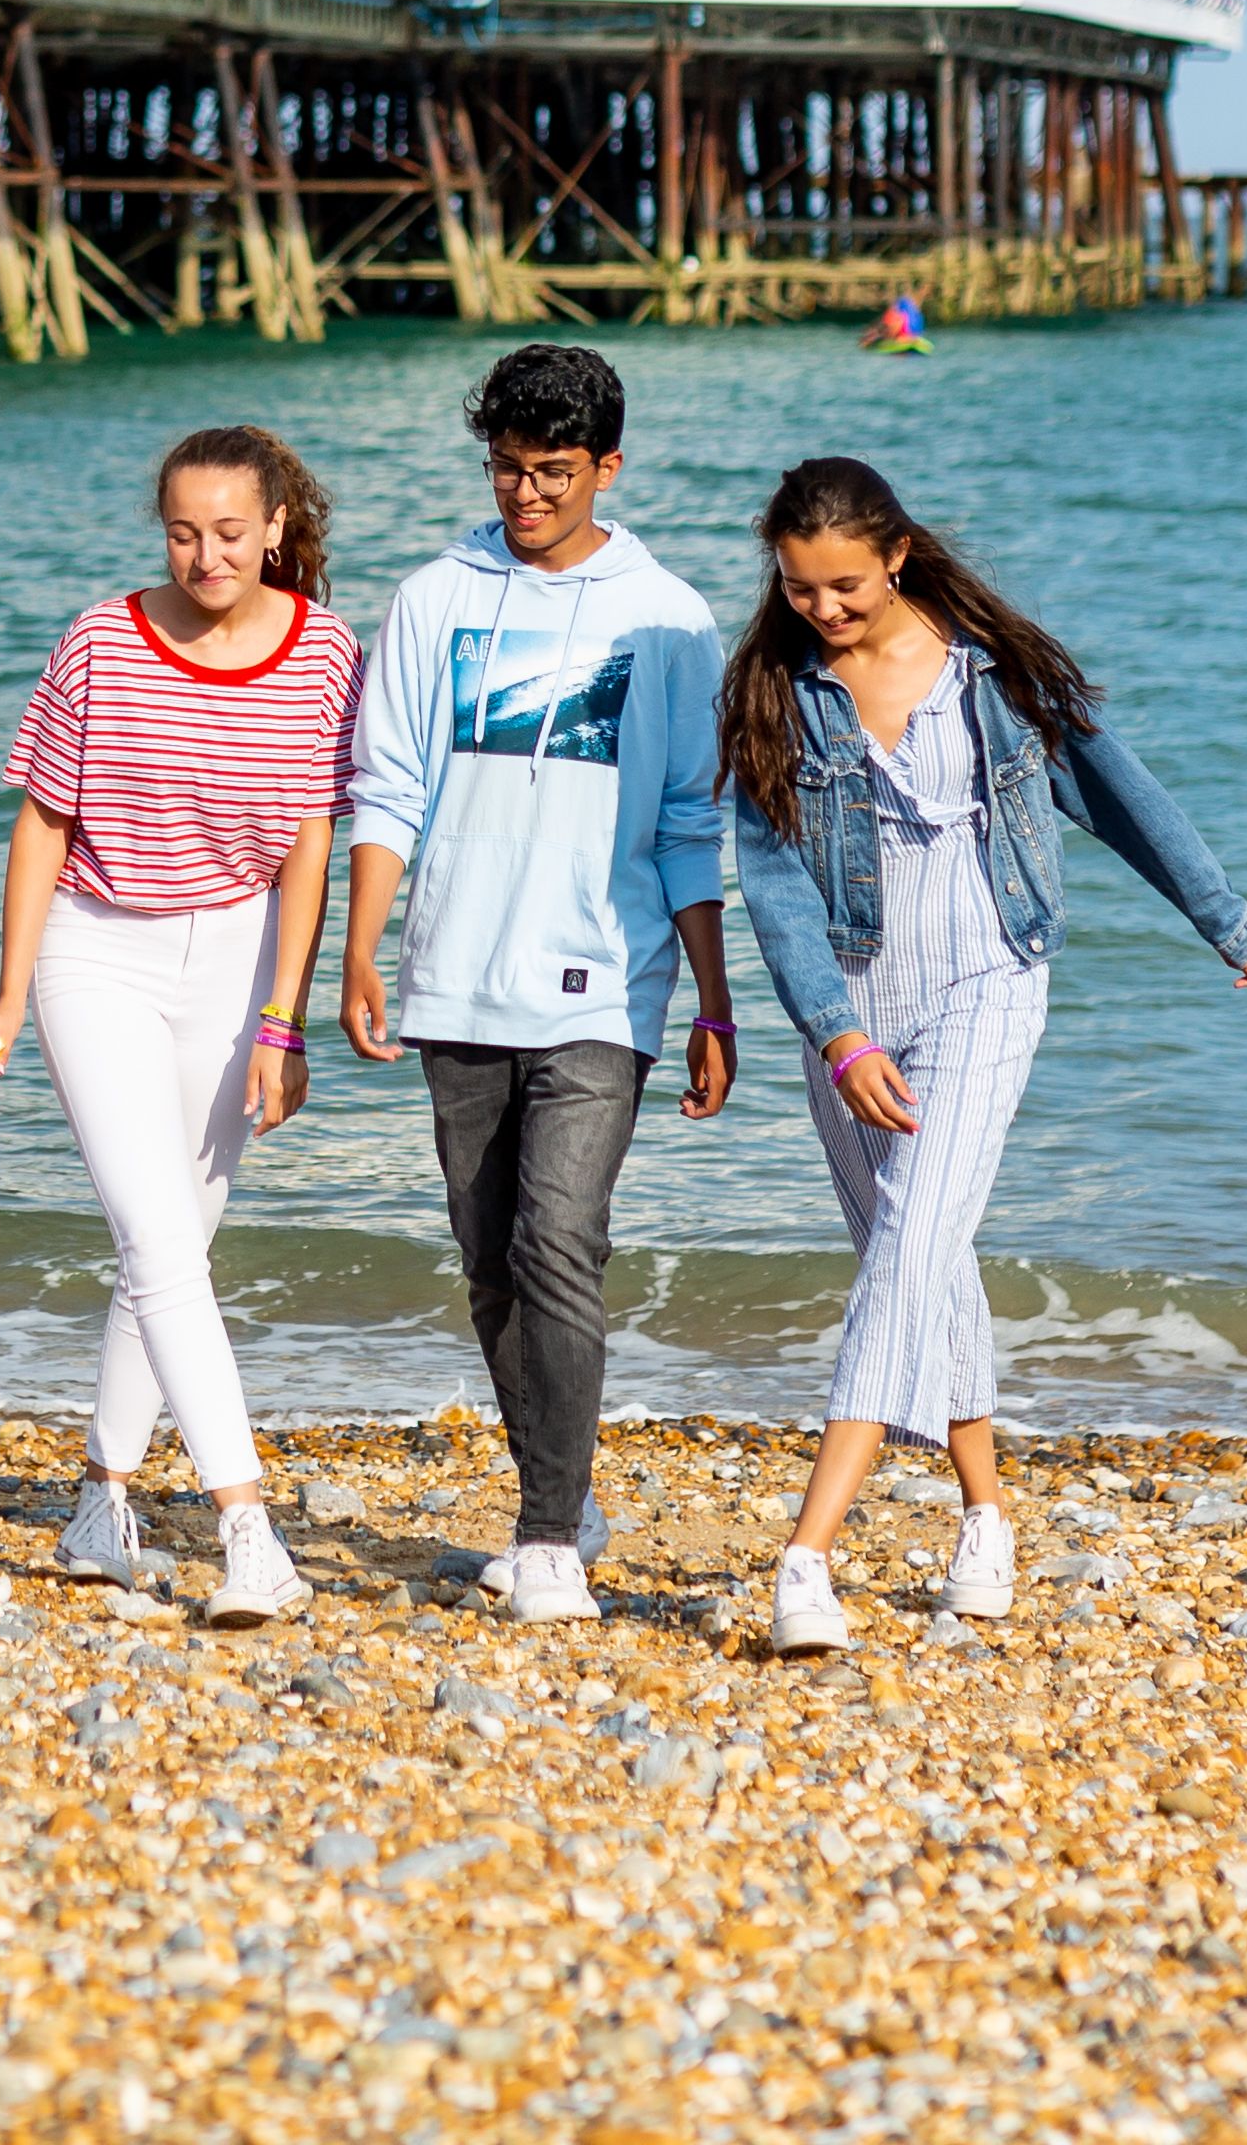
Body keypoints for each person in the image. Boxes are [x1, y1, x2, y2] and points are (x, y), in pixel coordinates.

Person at [720, 452, 1247, 1651]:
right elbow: (772, 885)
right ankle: (986, 1519)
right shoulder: (772, 687)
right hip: (854, 1006)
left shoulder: (992, 676)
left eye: (847, 587)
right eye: (803, 589)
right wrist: (838, 1030)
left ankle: (806, 1555)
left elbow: (1116, 793)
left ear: (896, 553)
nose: (826, 611)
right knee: (922, 1255)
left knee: (911, 1246)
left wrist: (1216, 912)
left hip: (989, 979)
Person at [335, 342, 740, 1625]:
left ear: (607, 467)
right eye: (507, 471)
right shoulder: (431, 598)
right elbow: (388, 785)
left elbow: (688, 818)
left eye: (553, 474)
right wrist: (361, 945)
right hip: (454, 976)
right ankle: (559, 1487)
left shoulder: (667, 618)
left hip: (605, 981)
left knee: (559, 1242)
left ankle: (549, 1534)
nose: (525, 496)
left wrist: (715, 1000)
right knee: (490, 1263)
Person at [0, 427, 355, 1628]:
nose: (206, 554)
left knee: (169, 1246)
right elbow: (41, 824)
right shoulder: (99, 639)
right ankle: (250, 1532)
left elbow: (309, 849)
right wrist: (10, 996)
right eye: (183, 532)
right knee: (161, 1242)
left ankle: (98, 1500)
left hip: (236, 961)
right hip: (99, 951)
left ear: (276, 525)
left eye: (231, 532)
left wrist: (285, 1018)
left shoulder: (328, 651)